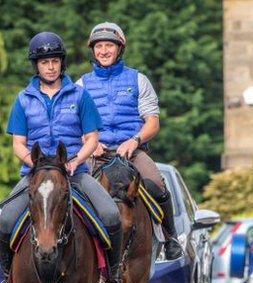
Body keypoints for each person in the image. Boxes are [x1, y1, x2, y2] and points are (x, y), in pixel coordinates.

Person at [0, 32, 124, 283]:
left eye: (54, 61)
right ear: (36, 66)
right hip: (36, 175)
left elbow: (91, 137)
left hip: (73, 173)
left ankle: (111, 281)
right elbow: (18, 143)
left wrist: (76, 160)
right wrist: (33, 162)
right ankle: (7, 282)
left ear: (61, 63)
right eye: (44, 62)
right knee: (6, 221)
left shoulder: (80, 95)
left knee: (111, 215)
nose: (50, 67)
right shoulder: (23, 99)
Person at [77, 22, 183, 260]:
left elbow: (152, 122)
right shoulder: (81, 85)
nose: (104, 51)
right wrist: (89, 141)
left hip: (130, 151)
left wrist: (134, 140)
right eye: (99, 46)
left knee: (156, 183)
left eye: (109, 46)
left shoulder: (138, 80)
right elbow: (75, 124)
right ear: (93, 51)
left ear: (119, 49)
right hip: (96, 152)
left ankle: (171, 238)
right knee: (71, 191)